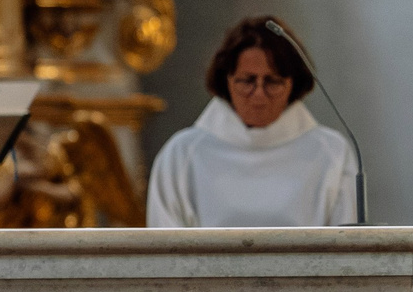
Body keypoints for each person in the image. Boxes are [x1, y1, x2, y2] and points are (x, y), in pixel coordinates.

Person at [146, 16, 358, 228]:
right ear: (226, 79)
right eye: (247, 81)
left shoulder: (331, 152)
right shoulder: (182, 154)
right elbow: (165, 249)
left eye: (272, 82)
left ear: (294, 83)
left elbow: (348, 250)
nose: (258, 95)